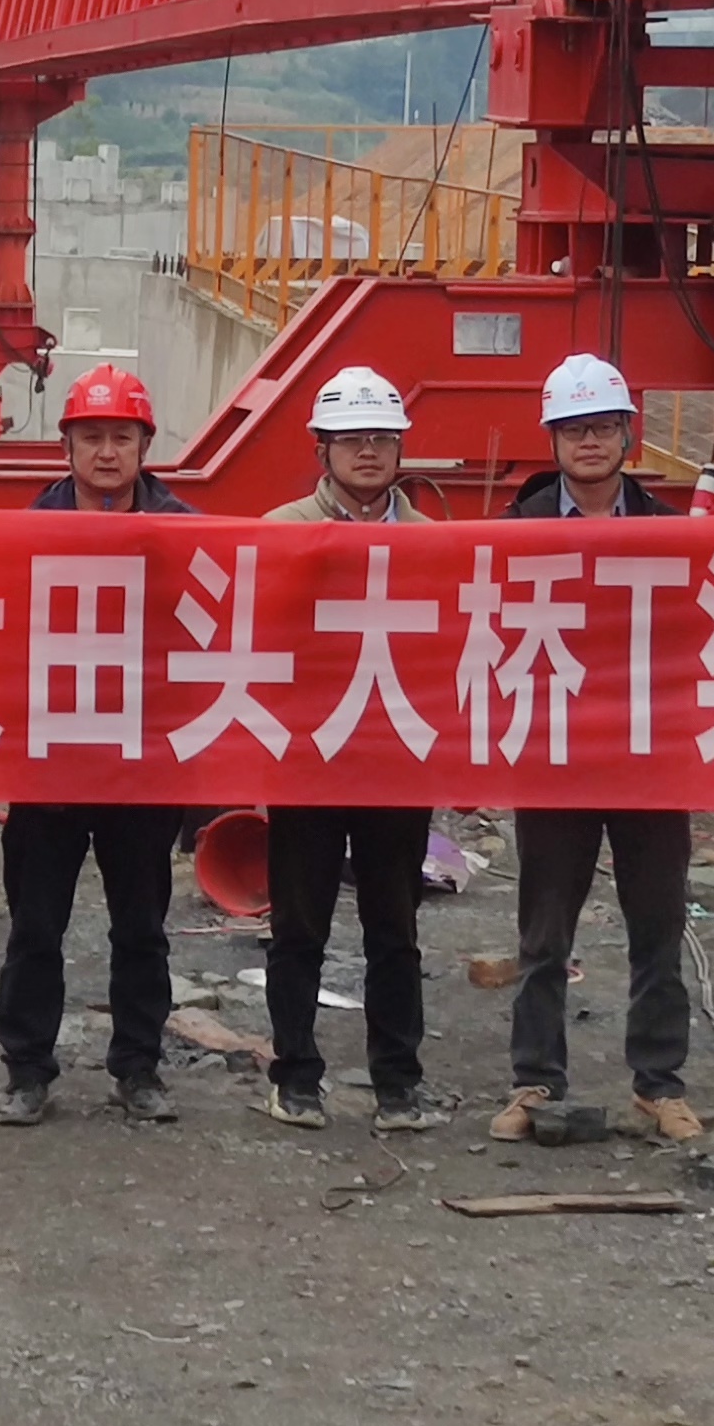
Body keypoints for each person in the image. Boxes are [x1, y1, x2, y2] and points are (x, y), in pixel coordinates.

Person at [490, 352, 701, 1147]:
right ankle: (535, 1079)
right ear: (552, 438)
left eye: (603, 427)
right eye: (574, 428)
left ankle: (659, 1084)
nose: (589, 441)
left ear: (627, 436)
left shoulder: (672, 536)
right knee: (544, 935)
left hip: (649, 757)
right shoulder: (516, 535)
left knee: (658, 928)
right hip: (555, 757)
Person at [0, 363, 194, 1126]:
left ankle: (138, 1068)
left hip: (141, 764)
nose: (107, 453)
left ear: (145, 446)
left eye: (121, 437)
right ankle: (27, 1070)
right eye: (92, 437)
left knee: (141, 928)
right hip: (49, 759)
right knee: (34, 926)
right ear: (67, 447)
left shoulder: (185, 534)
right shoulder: (25, 535)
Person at [253, 365, 442, 1131]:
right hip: (308, 761)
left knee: (394, 929)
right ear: (322, 448)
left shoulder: (435, 545)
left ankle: (398, 1084)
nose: (369, 451)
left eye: (383, 439)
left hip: (396, 762)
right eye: (352, 439)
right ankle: (295, 1076)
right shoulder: (280, 532)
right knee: (299, 928)